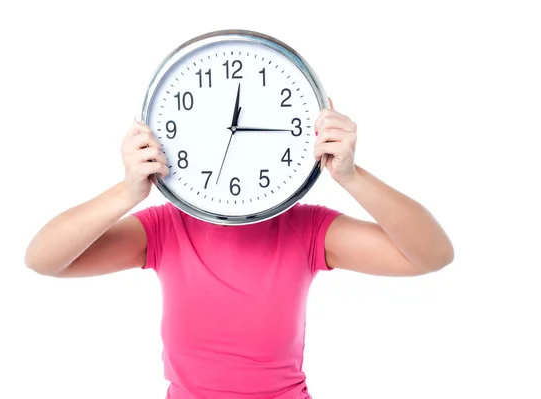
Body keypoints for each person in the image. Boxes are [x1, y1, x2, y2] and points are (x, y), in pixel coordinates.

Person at [25, 100, 454, 399]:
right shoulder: (165, 229)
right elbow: (44, 259)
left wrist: (352, 175)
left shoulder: (306, 229)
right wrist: (126, 191)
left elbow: (432, 255)